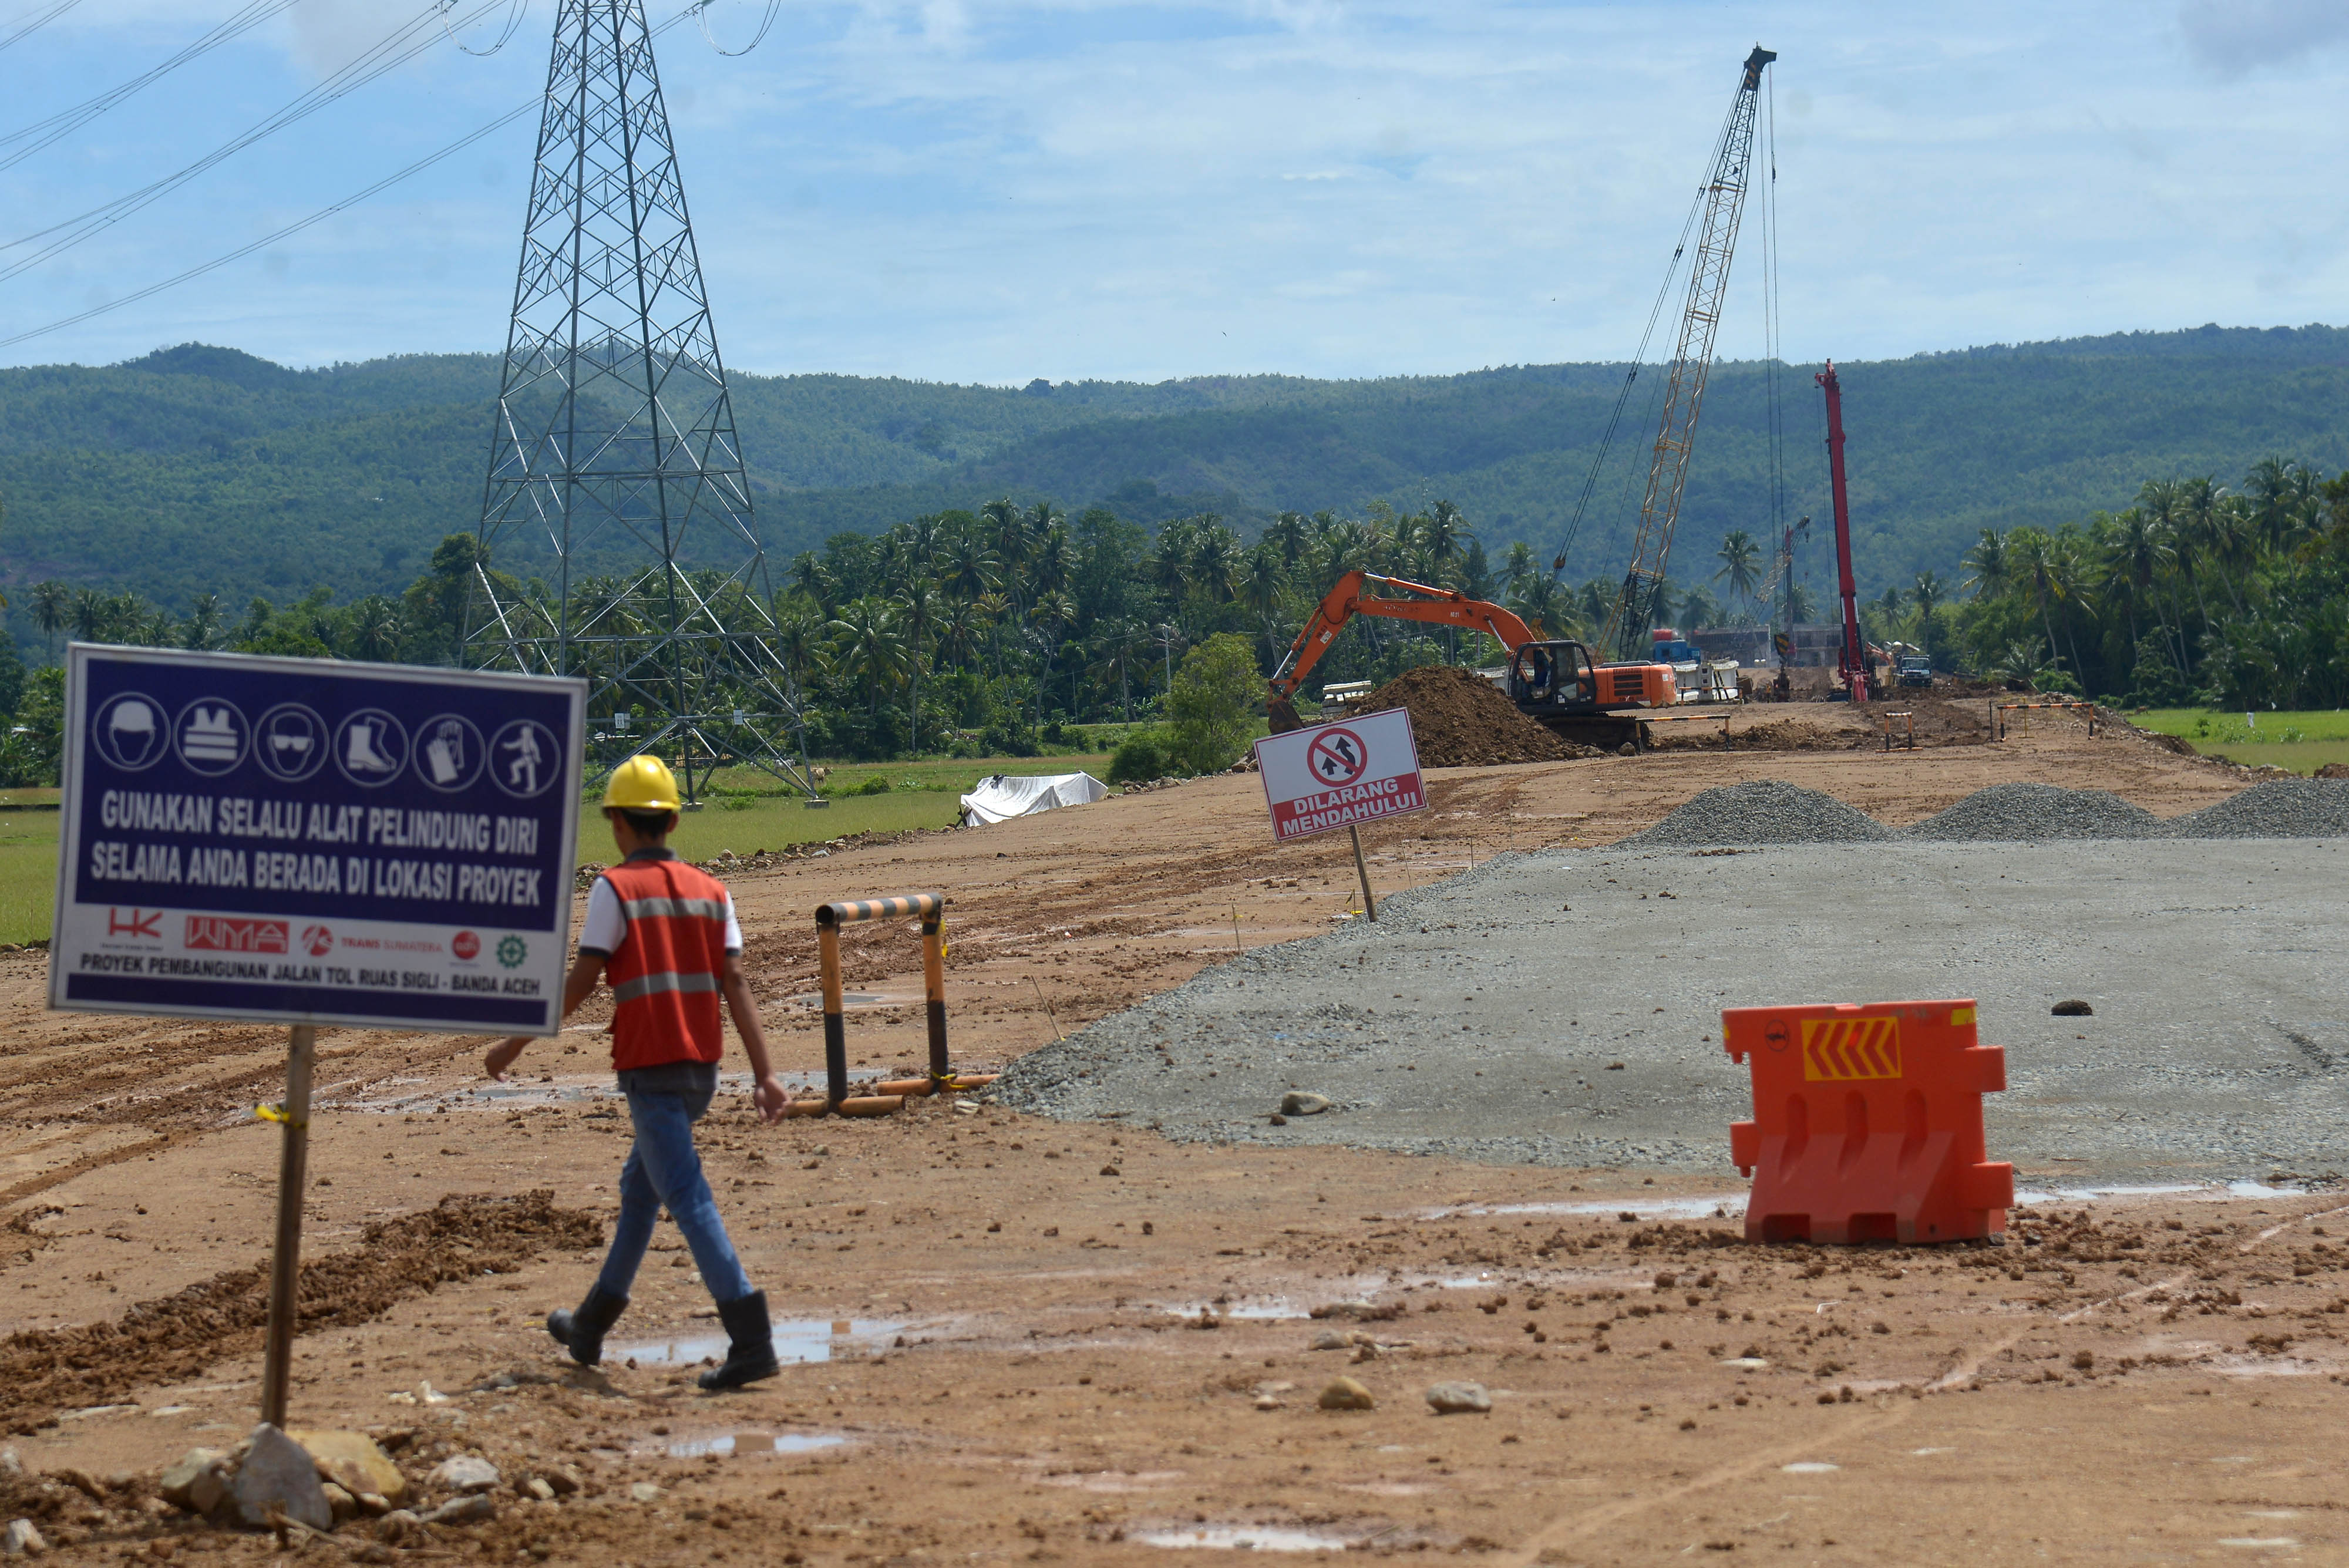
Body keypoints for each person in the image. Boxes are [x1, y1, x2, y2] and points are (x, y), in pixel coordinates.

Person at [486, 753, 791, 1390]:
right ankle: (591, 1326)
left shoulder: (614, 889)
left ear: (618, 824)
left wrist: (516, 1044)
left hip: (650, 1070)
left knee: (686, 1197)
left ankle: (751, 1338)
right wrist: (765, 1074)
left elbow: (581, 982)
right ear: (674, 819)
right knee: (639, 1192)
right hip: (700, 1071)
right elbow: (734, 982)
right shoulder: (713, 891)